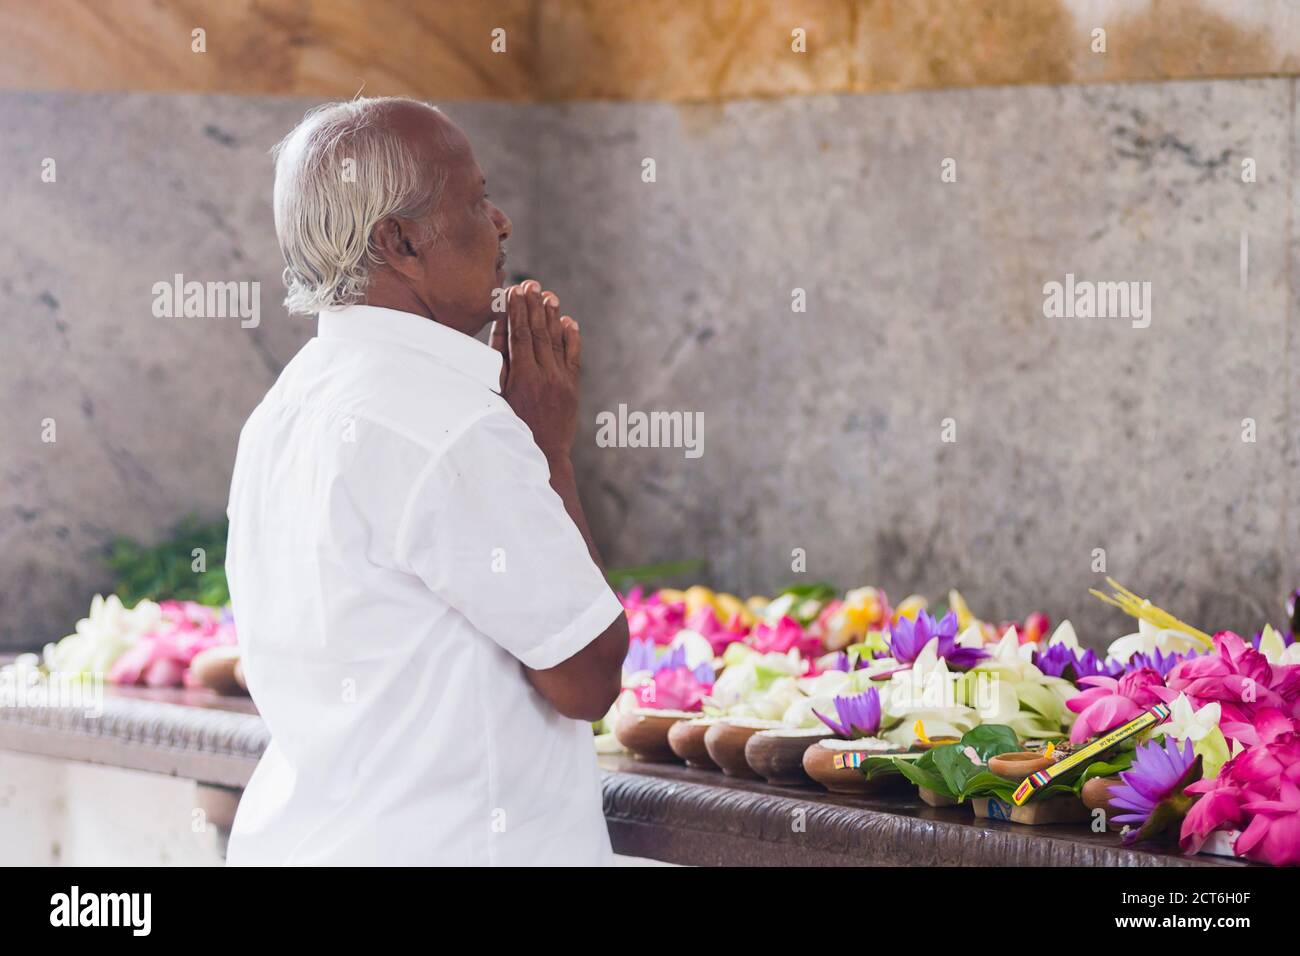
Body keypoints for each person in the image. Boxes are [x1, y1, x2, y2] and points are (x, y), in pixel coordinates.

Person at [224, 97, 629, 865]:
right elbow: (588, 676)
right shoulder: (448, 424)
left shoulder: (286, 404)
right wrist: (549, 452)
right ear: (400, 242)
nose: (502, 221)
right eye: (475, 199)